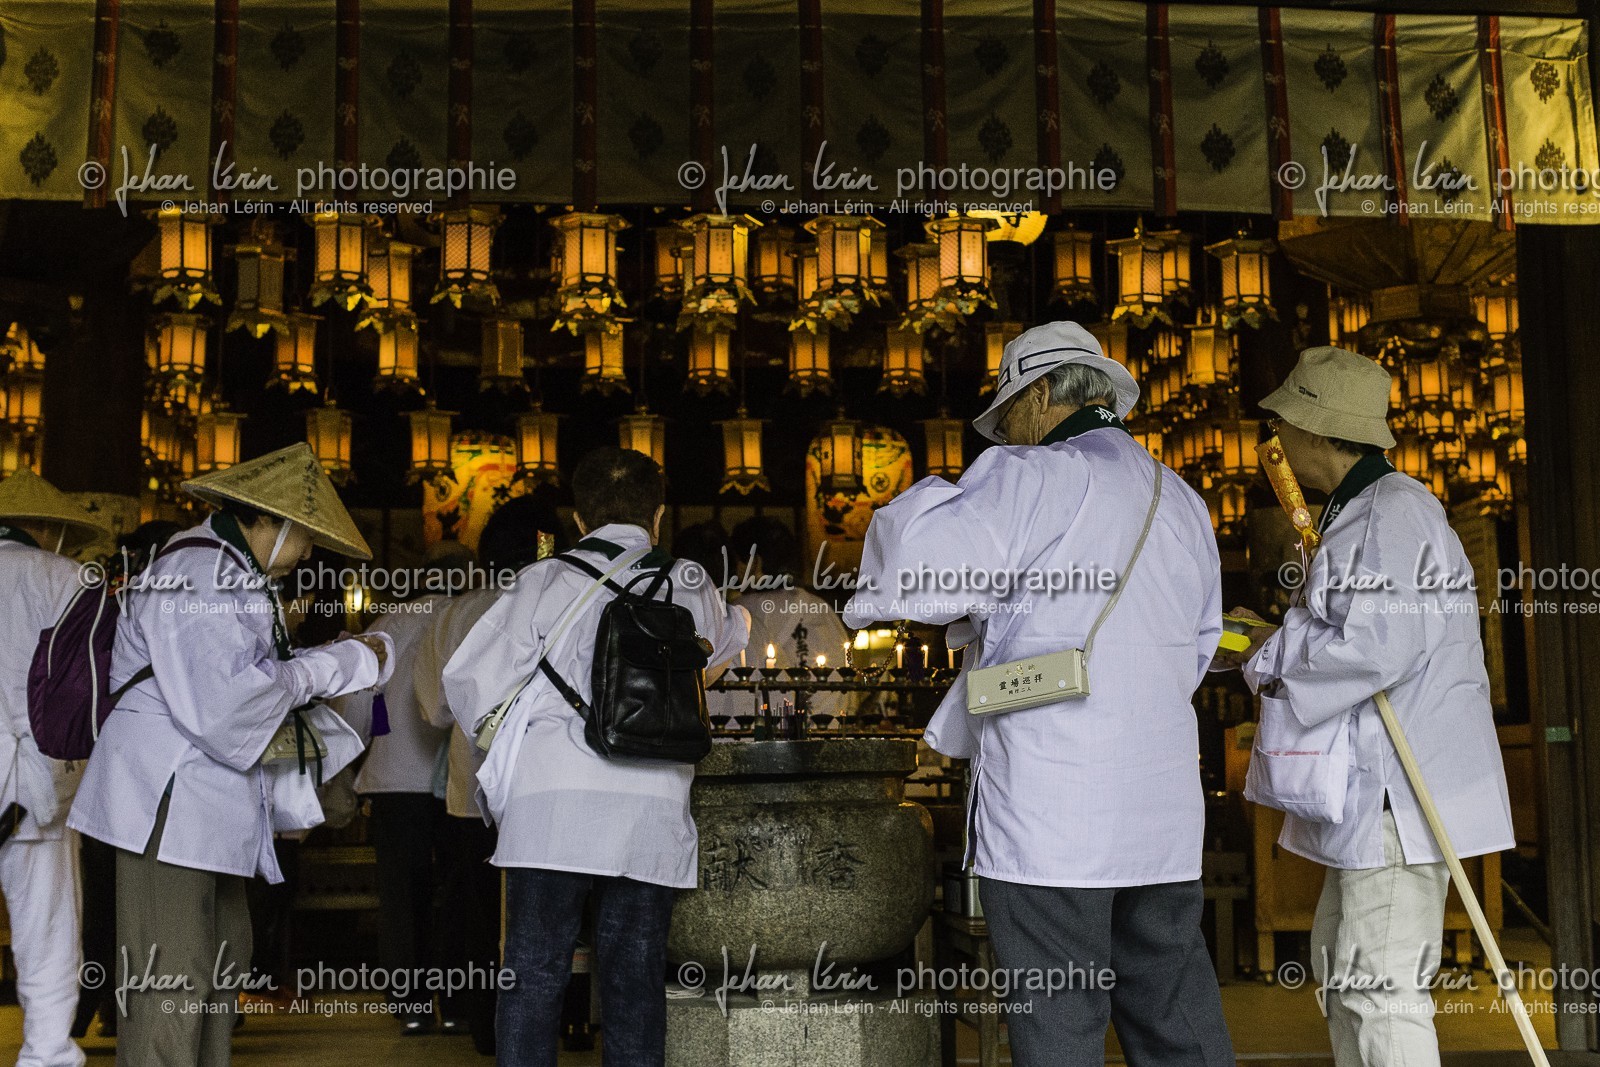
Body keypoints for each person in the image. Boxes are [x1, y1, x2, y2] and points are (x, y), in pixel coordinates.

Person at [843, 321, 1233, 1067]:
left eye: (1010, 413)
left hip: (1053, 819)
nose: (1008, 433)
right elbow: (1201, 647)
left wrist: (929, 502)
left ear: (1044, 394)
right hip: (1161, 818)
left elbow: (919, 576)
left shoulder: (1026, 475)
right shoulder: (1181, 499)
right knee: (1177, 1023)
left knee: (1059, 1028)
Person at [1226, 346, 1514, 1066]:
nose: (1276, 443)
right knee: (1344, 964)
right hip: (1380, 791)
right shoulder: (1362, 511)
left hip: (1400, 792)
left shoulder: (1395, 510)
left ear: (1318, 432)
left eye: (1284, 426)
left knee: (1379, 982)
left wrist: (1266, 653)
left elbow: (1377, 646)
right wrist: (1278, 637)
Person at [67, 443, 394, 1067]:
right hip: (168, 801)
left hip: (205, 801)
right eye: (307, 537)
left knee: (219, 963)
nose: (310, 553)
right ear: (268, 521)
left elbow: (249, 685)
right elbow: (227, 706)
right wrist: (338, 663)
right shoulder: (197, 572)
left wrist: (318, 668)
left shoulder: (231, 572)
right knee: (173, 974)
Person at [443, 447, 748, 1067]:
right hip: (650, 802)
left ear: (578, 521)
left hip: (548, 803)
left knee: (532, 973)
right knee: (633, 979)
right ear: (658, 515)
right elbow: (712, 657)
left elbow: (470, 685)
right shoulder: (688, 582)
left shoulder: (540, 580)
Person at [415, 495, 565, 1057]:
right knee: (549, 909)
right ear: (550, 547)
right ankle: (558, 1020)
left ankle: (484, 1023)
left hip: (471, 782)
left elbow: (433, 710)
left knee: (476, 909)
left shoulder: (456, 612)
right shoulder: (566, 600)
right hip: (547, 781)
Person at [0, 469, 110, 1067]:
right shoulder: (67, 577)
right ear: (42, 527)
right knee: (46, 928)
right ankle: (45, 1055)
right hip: (32, 778)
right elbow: (85, 690)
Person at [338, 542, 466, 1035]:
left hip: (394, 782)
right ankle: (458, 1002)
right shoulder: (472, 620)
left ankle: (410, 1003)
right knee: (459, 890)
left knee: (402, 895)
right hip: (458, 780)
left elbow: (355, 710)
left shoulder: (387, 626)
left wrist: (362, 761)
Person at [73, 520, 183, 1040]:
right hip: (148, 776)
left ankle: (97, 1005)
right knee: (144, 903)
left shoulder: (110, 602)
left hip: (99, 769)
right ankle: (126, 1009)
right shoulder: (163, 602)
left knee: (104, 899)